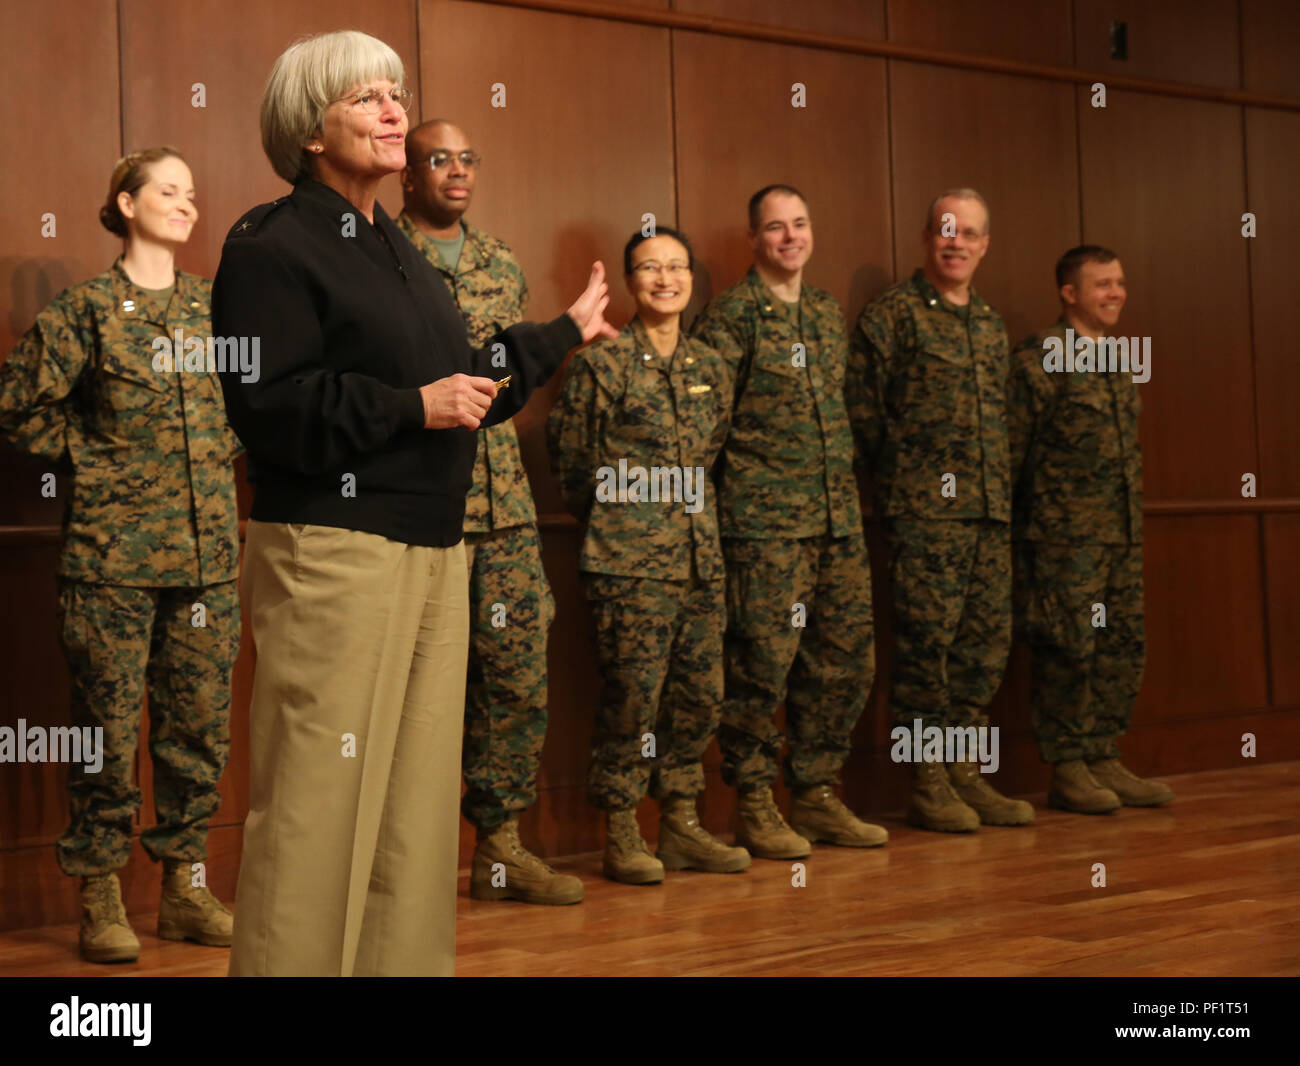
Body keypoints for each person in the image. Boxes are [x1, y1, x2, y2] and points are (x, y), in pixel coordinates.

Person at [213, 30, 613, 977]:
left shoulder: (395, 245)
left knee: (412, 818)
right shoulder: (269, 244)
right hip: (335, 551)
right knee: (318, 812)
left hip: (437, 552)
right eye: (367, 98)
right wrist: (411, 407)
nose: (396, 110)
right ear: (311, 129)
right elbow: (271, 407)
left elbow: (462, 386)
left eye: (397, 92)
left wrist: (559, 336)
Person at [0, 147, 240, 962]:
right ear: (127, 204)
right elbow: (16, 406)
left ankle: (186, 892)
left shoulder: (217, 312)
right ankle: (100, 897)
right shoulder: (87, 312)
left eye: (191, 193)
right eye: (168, 190)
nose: (185, 203)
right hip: (111, 561)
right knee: (104, 732)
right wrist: (94, 457)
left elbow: (251, 408)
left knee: (198, 730)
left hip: (208, 560)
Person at [398, 119, 581, 905]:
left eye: (468, 158)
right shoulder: (379, 251)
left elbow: (515, 380)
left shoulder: (501, 260)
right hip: (416, 502)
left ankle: (500, 851)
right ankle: (402, 863)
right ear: (409, 174)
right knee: (413, 691)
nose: (457, 171)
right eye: (438, 158)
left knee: (513, 679)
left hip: (503, 504)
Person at [548, 226, 750, 883]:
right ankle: (623, 829)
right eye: (649, 269)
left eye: (677, 267)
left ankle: (684, 825)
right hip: (628, 564)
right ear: (630, 284)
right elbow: (573, 466)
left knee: (699, 695)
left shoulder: (712, 367)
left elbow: (714, 456)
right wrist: (622, 523)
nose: (666, 279)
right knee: (633, 699)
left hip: (700, 561)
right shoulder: (599, 367)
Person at [692, 186, 886, 859]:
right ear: (754, 240)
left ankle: (817, 793)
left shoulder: (830, 314)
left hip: (837, 523)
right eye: (775, 228)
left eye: (800, 224)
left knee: (842, 661)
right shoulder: (732, 317)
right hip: (764, 529)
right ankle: (752, 802)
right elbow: (705, 426)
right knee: (760, 668)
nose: (790, 237)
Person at [847, 188, 1032, 832]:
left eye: (970, 234)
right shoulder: (892, 316)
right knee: (927, 652)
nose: (957, 242)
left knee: (981, 651)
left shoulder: (989, 322)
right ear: (929, 237)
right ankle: (925, 782)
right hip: (924, 515)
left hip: (988, 515)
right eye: (946, 230)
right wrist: (903, 487)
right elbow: (863, 417)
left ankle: (963, 773)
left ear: (984, 245)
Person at [1008, 245, 1174, 812]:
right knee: (1068, 650)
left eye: (1120, 282)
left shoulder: (1121, 359)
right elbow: (1013, 454)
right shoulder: (1041, 358)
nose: (1115, 293)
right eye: (1102, 284)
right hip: (1063, 541)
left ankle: (1103, 754)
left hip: (1119, 537)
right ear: (1070, 294)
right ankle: (1069, 766)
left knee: (1121, 647)